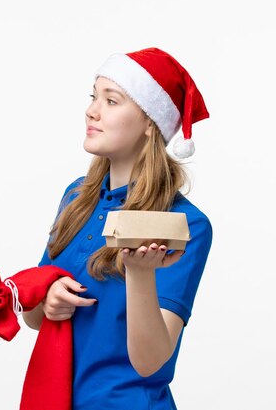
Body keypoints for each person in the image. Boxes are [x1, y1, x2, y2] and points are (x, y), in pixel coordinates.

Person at [22, 47, 213, 410]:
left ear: (149, 123)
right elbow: (33, 316)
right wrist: (49, 300)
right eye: (94, 96)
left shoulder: (186, 225)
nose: (92, 110)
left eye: (112, 100)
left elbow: (150, 362)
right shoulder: (76, 197)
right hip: (58, 399)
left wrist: (140, 273)